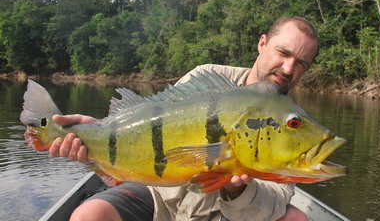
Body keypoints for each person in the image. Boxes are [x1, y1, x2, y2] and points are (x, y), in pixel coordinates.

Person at [49, 16, 319, 221]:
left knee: (296, 218)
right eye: (283, 53)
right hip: (160, 193)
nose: (288, 68)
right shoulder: (208, 77)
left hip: (225, 212)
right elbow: (156, 123)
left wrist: (237, 190)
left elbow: (276, 200)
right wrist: (98, 131)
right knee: (88, 216)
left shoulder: (290, 124)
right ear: (262, 44)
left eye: (301, 63)